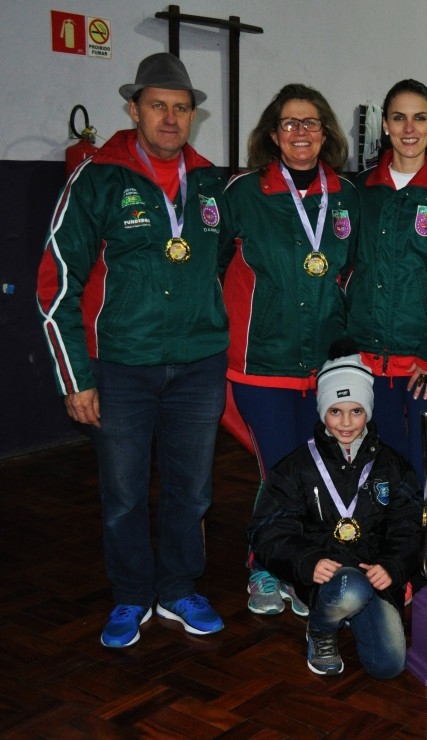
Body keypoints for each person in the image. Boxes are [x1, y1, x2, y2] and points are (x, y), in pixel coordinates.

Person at [36, 52, 228, 647]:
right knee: (122, 493)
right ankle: (129, 596)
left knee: (191, 489)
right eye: (157, 106)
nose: (170, 118)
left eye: (180, 108)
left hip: (199, 365)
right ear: (133, 109)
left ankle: (177, 588)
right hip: (121, 366)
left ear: (193, 115)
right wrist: (76, 377)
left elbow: (223, 266)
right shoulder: (96, 178)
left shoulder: (212, 182)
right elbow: (56, 281)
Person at [220, 83, 359, 617]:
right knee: (279, 470)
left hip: (326, 365)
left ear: (326, 132)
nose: (300, 133)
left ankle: (303, 570)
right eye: (289, 123)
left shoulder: (347, 196)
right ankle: (263, 567)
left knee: (320, 471)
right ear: (272, 134)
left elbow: (355, 273)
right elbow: (209, 272)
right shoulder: (242, 194)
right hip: (262, 364)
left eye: (310, 123)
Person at [247, 344, 423, 678]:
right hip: (323, 577)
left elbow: (409, 524)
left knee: (388, 666)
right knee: (348, 589)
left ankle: (353, 612)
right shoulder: (296, 467)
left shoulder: (392, 466)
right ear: (322, 412)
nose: (346, 423)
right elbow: (266, 530)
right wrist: (306, 560)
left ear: (368, 411)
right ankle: (322, 628)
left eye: (356, 411)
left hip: (374, 577)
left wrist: (394, 565)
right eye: (335, 411)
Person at [343, 79, 427, 490]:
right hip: (365, 363)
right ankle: (383, 553)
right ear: (384, 124)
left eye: (419, 118)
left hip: (425, 367)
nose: (408, 128)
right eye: (398, 118)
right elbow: (343, 271)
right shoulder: (360, 191)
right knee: (372, 474)